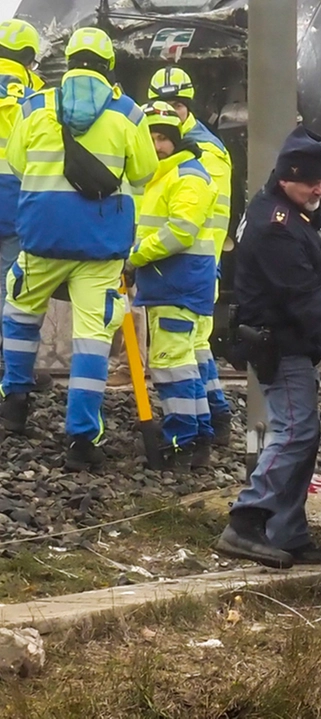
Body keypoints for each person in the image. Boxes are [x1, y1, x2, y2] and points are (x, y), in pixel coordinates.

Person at [0, 27, 158, 471]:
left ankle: (14, 401)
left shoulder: (34, 106)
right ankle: (81, 439)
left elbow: (15, 160)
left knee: (21, 312)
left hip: (41, 238)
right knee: (91, 337)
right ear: (109, 66)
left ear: (67, 62)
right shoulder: (128, 113)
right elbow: (145, 171)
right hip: (100, 247)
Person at [214, 125, 321, 569]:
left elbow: (313, 276)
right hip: (280, 346)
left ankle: (287, 533)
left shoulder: (289, 213)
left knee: (305, 433)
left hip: (289, 344)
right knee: (294, 432)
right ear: (287, 177)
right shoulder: (275, 226)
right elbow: (306, 303)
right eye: (311, 181)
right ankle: (245, 521)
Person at [128, 101, 218, 470]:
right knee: (183, 364)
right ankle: (197, 438)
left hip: (177, 283)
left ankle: (180, 442)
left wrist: (135, 257)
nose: (155, 144)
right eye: (149, 136)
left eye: (163, 137)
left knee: (169, 365)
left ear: (177, 140)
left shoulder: (187, 176)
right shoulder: (167, 174)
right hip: (175, 283)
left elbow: (180, 232)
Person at [147, 65, 234, 445]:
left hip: (192, 264)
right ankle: (214, 418)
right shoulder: (178, 145)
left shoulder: (202, 152)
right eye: (163, 103)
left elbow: (193, 217)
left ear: (188, 106)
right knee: (193, 349)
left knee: (180, 353)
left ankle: (194, 433)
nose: (170, 110)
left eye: (177, 105)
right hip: (191, 264)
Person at [0, 19, 50, 393]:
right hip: (15, 195)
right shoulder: (33, 91)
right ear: (31, 58)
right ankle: (13, 368)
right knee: (13, 285)